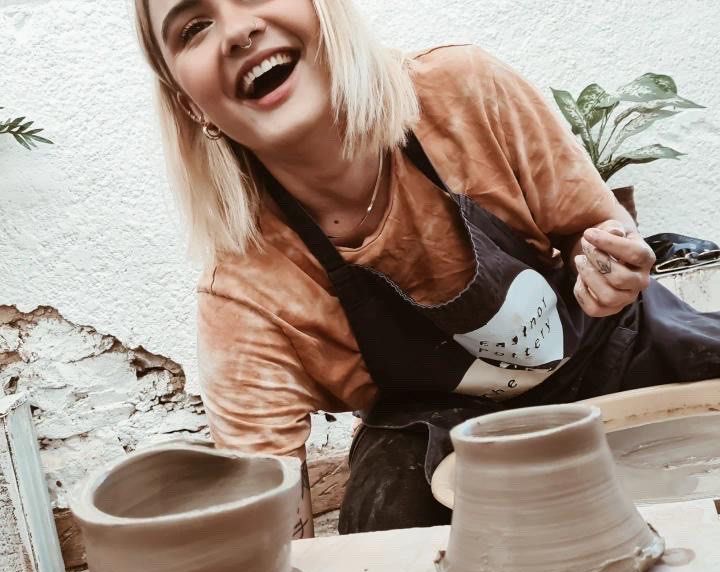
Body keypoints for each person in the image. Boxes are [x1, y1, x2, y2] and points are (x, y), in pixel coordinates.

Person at [135, 0, 720, 537]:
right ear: (190, 103)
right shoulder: (245, 291)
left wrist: (608, 267)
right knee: (383, 518)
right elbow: (268, 525)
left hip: (610, 351)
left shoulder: (459, 91)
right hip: (447, 438)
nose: (238, 30)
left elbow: (595, 233)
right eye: (194, 28)